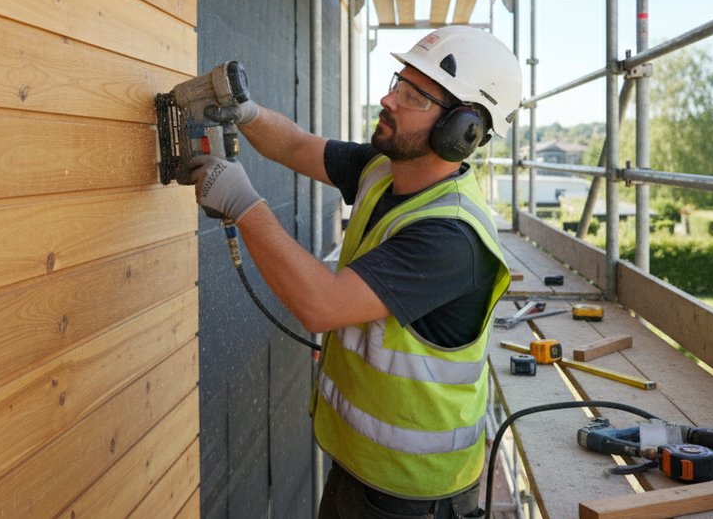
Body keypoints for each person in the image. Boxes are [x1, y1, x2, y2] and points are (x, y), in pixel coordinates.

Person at [186, 26, 523, 519]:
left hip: (414, 495)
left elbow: (321, 305)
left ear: (463, 130)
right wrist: (248, 113)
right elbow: (296, 146)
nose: (388, 99)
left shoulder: (450, 236)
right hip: (360, 467)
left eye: (414, 95)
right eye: (399, 83)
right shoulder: (384, 169)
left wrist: (242, 202)